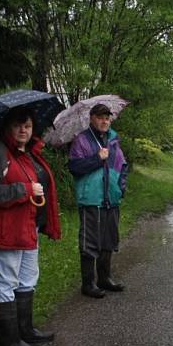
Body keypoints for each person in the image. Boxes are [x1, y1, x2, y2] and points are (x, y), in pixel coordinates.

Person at [0, 107, 61, 346]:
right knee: (6, 282)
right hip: (6, 229)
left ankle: (25, 330)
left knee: (27, 279)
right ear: (8, 127)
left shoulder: (28, 154)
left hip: (28, 226)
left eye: (28, 126)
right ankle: (10, 341)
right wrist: (24, 190)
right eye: (18, 125)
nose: (24, 130)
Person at [68, 103, 129, 298]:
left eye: (107, 117)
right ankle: (88, 284)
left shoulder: (113, 140)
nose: (104, 121)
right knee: (90, 241)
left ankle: (105, 278)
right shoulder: (82, 140)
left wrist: (121, 188)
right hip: (91, 198)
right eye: (100, 117)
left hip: (111, 198)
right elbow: (75, 167)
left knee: (108, 240)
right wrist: (97, 158)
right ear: (91, 118)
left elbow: (123, 166)